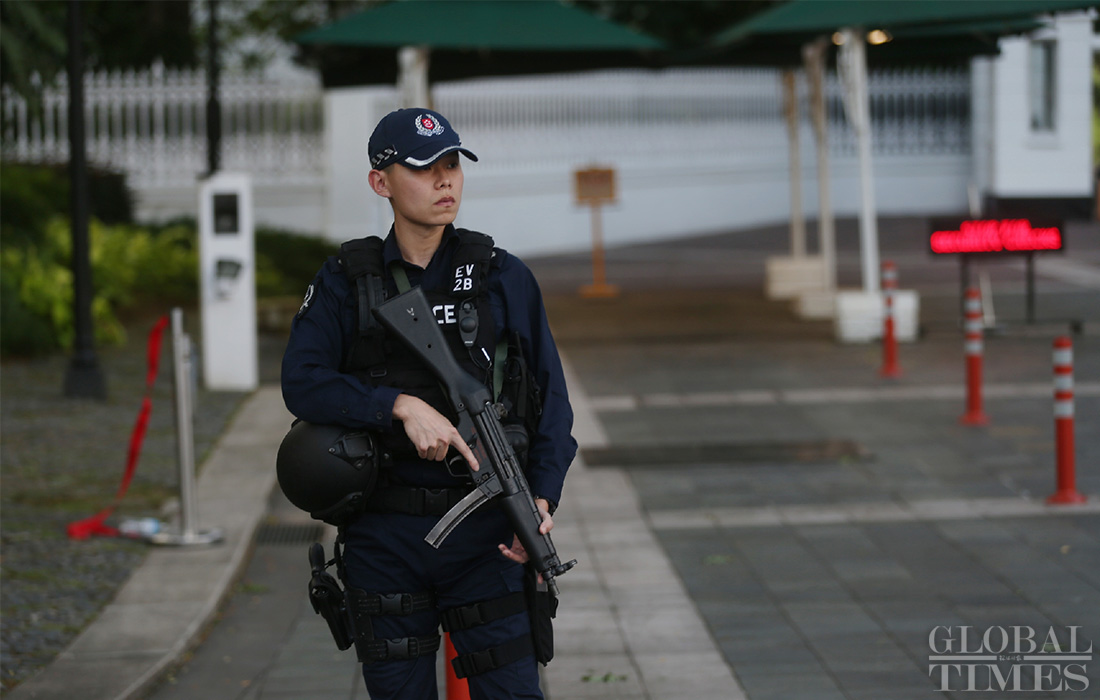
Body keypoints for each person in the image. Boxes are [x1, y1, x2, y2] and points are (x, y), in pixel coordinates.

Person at [281, 107, 577, 700]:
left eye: (451, 165)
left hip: (487, 536)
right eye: (423, 169)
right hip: (385, 536)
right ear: (380, 181)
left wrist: (539, 500)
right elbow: (302, 381)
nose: (445, 181)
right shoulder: (346, 280)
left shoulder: (501, 277)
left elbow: (553, 409)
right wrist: (397, 405)